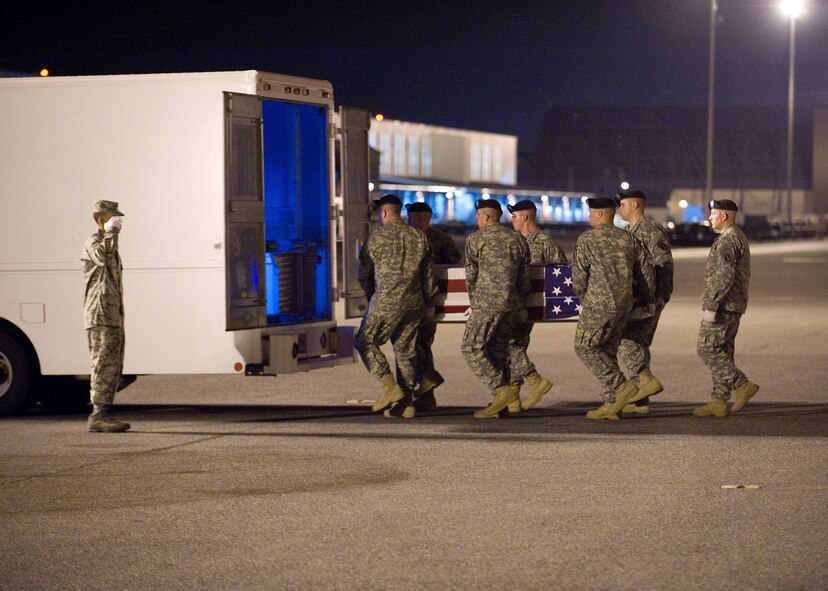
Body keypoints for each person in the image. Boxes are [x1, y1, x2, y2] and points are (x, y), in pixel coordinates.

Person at [355, 194, 438, 419]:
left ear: (383, 213)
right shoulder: (419, 237)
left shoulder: (375, 238)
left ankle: (390, 387)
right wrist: (426, 300)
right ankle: (407, 402)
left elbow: (364, 275)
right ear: (399, 211)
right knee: (405, 350)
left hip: (386, 300)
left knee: (364, 341)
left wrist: (374, 297)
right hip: (414, 303)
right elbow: (429, 278)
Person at [571, 197, 655, 420]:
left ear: (600, 214)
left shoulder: (587, 239)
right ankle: (612, 403)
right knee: (606, 350)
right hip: (624, 305)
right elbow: (645, 273)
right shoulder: (628, 237)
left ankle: (620, 387)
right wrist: (646, 300)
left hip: (599, 304)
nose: (589, 216)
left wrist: (584, 297)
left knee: (584, 347)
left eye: (591, 212)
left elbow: (579, 277)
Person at [461, 199, 531, 419]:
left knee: (471, 348)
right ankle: (504, 404)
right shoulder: (517, 239)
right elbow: (524, 278)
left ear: (487, 217)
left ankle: (502, 390)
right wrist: (519, 302)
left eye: (478, 215)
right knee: (498, 351)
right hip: (511, 304)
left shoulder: (475, 240)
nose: (476, 219)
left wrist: (476, 301)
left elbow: (471, 277)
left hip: (486, 304)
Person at [693, 199, 759, 418]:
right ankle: (719, 400)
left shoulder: (727, 241)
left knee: (707, 348)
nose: (710, 217)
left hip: (723, 306)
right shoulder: (735, 237)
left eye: (713, 214)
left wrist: (711, 306)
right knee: (722, 351)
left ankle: (742, 384)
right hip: (733, 305)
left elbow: (723, 277)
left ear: (724, 216)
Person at [615, 189, 674, 416]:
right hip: (638, 299)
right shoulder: (630, 231)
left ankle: (646, 383)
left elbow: (664, 264)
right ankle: (641, 401)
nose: (620, 208)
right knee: (636, 345)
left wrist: (660, 297)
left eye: (622, 204)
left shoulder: (649, 231)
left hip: (649, 299)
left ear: (635, 206)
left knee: (629, 342)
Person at [506, 199, 567, 412]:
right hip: (512, 302)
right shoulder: (512, 241)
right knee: (514, 346)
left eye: (514, 216)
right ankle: (513, 398)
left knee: (510, 344)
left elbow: (561, 273)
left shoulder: (544, 242)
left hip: (529, 305)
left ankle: (534, 380)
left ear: (524, 217)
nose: (511, 220)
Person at [405, 201, 462, 412]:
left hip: (429, 301)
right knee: (415, 346)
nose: (419, 222)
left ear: (429, 219)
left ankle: (418, 390)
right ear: (407, 218)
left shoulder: (442, 241)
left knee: (417, 345)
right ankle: (426, 392)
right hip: (408, 300)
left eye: (423, 218)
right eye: (415, 218)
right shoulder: (404, 238)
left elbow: (455, 270)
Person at [82, 200, 130, 433]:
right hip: (100, 315)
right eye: (113, 217)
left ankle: (104, 413)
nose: (118, 222)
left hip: (111, 315)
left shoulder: (110, 243)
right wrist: (110, 231)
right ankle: (98, 416)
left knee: (111, 364)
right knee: (102, 364)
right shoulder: (94, 242)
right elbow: (101, 256)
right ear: (102, 218)